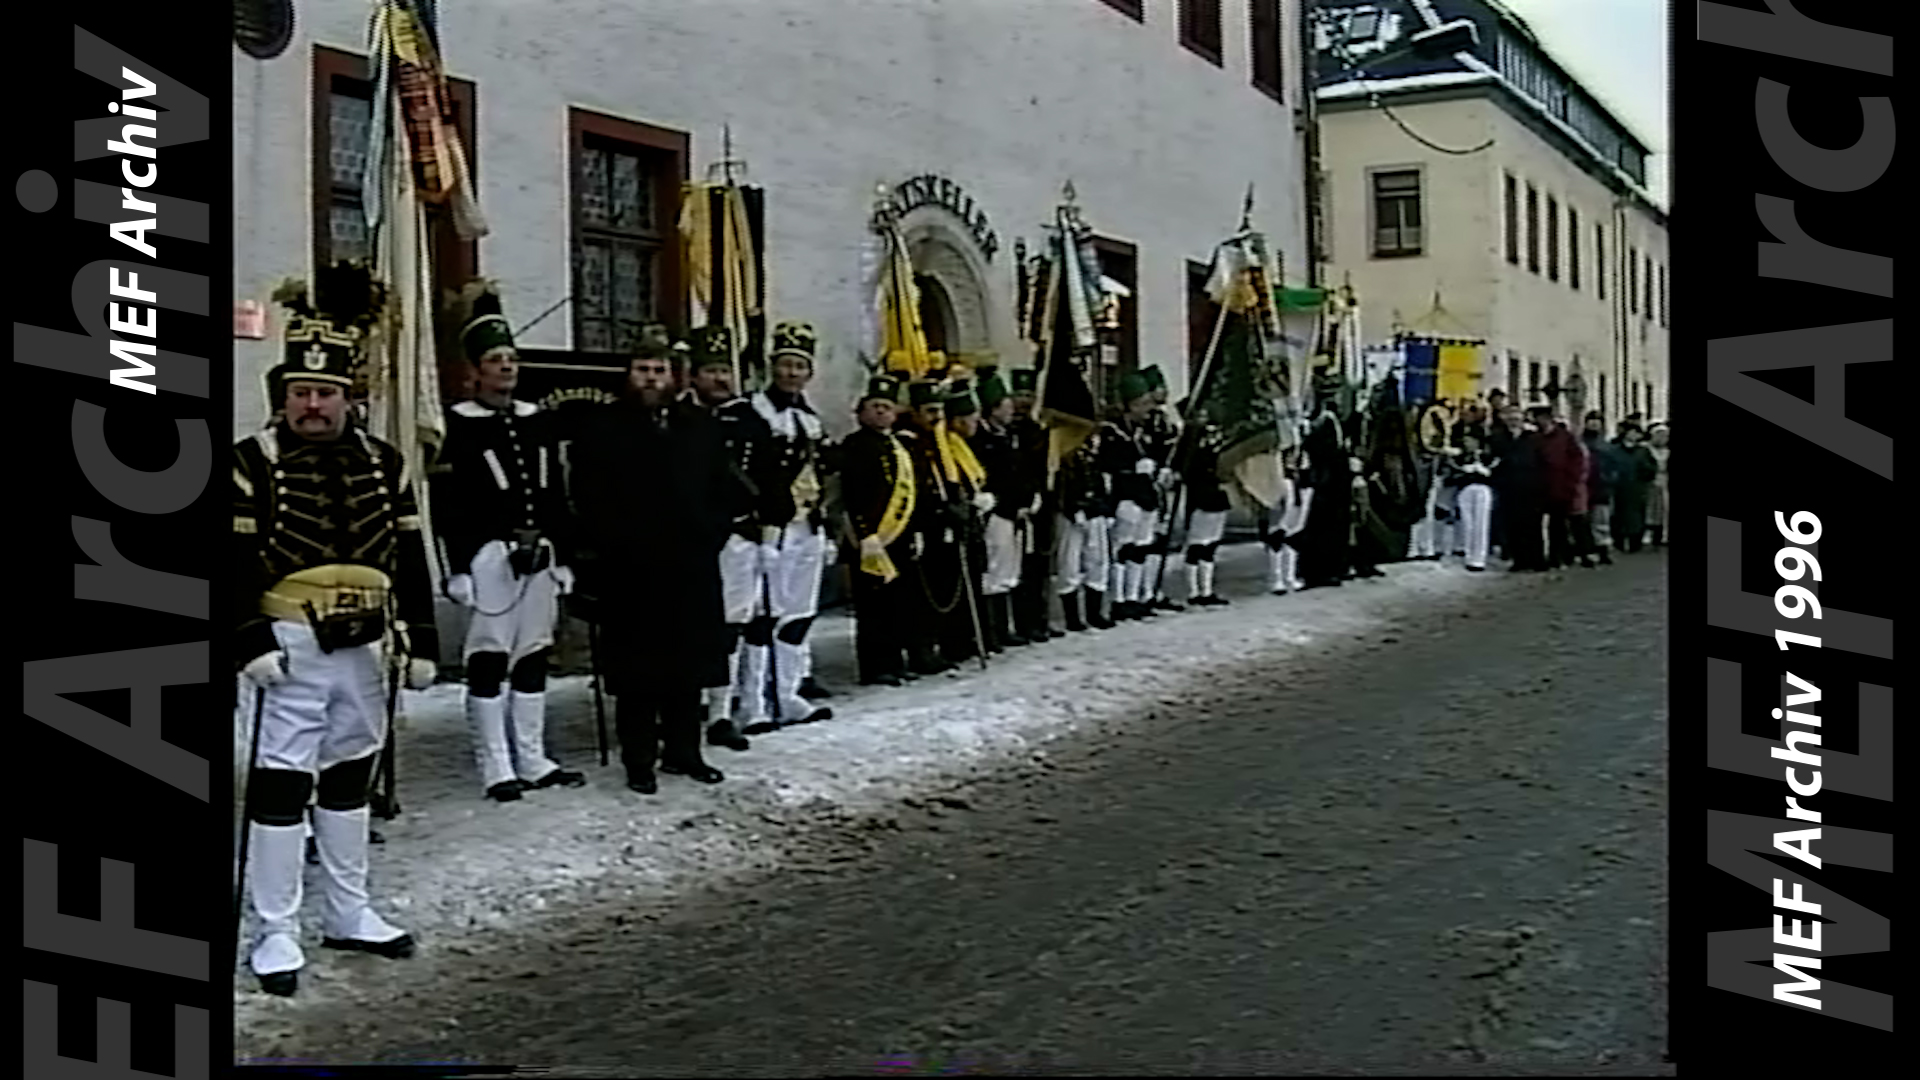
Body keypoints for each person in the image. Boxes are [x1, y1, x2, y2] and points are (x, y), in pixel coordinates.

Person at [235, 266, 437, 996]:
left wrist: (423, 638)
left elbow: (409, 555)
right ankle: (275, 929)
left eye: (325, 394)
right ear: (282, 397)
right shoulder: (249, 463)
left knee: (352, 777)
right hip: (288, 647)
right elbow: (224, 559)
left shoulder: (385, 462)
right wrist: (245, 637)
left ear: (349, 398)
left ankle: (350, 911)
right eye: (300, 393)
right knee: (282, 785)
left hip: (367, 647)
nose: (312, 406)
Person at [568, 342, 742, 794]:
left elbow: (724, 489)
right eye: (642, 369)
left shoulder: (700, 427)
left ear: (674, 376)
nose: (650, 378)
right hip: (631, 568)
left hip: (691, 563)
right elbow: (588, 494)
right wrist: (613, 543)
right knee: (638, 672)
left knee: (689, 666)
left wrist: (711, 532)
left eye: (659, 370)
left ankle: (685, 752)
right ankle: (640, 758)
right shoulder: (602, 427)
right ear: (629, 375)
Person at [435, 286, 585, 803]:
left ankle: (533, 755)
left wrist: (563, 554)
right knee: (489, 658)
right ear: (475, 371)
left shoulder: (536, 419)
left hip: (539, 553)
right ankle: (496, 764)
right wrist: (459, 566)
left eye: (511, 359)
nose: (506, 368)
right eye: (495, 361)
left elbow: (554, 491)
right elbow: (448, 503)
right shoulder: (456, 424)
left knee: (532, 655)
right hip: (489, 556)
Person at [683, 326, 782, 752]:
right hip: (690, 541)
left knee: (732, 627)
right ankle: (688, 708)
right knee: (690, 628)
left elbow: (771, 479)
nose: (720, 379)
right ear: (694, 375)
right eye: (711, 371)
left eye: (725, 370)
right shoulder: (679, 419)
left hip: (739, 538)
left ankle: (722, 712)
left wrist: (772, 531)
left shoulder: (751, 421)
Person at [735, 322, 835, 732]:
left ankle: (789, 693)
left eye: (800, 366)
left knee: (798, 613)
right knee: (760, 615)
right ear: (773, 367)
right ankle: (753, 700)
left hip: (806, 526)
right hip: (770, 529)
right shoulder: (753, 412)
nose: (792, 373)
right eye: (786, 365)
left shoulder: (810, 418)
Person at [839, 374, 917, 686]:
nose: (881, 412)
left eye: (887, 407)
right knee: (872, 606)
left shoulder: (899, 446)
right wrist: (864, 533)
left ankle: (895, 660)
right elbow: (851, 494)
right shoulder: (854, 446)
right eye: (874, 406)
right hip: (869, 538)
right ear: (860, 412)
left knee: (897, 603)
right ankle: (874, 666)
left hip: (896, 536)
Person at [896, 380, 963, 675]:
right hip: (920, 525)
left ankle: (936, 643)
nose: (936, 416)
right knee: (919, 595)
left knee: (940, 587)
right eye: (929, 410)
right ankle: (919, 649)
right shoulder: (908, 443)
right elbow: (912, 487)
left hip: (940, 523)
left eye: (939, 410)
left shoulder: (939, 441)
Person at [970, 370, 1031, 649]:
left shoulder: (1008, 435)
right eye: (1005, 406)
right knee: (993, 572)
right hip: (994, 510)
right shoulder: (981, 440)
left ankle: (1005, 627)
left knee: (1008, 570)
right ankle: (990, 631)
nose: (1011, 411)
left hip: (1012, 511)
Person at [1098, 373, 1162, 619]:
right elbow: (1107, 464)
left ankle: (1135, 597)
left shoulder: (1143, 430)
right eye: (1142, 404)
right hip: (1126, 496)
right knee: (1123, 549)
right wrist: (1131, 468)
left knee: (1140, 549)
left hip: (1145, 495)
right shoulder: (1112, 431)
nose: (1147, 409)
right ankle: (1119, 599)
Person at [940, 380, 994, 660]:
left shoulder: (965, 446)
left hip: (972, 521)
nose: (975, 423)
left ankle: (974, 637)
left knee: (974, 579)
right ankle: (957, 642)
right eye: (971, 418)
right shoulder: (946, 445)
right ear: (959, 420)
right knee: (958, 587)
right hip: (956, 524)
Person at [1005, 369, 1060, 643]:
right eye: (1019, 395)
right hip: (1017, 508)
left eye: (1029, 395)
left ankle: (1039, 619)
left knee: (1039, 566)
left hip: (1041, 507)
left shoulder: (1040, 432)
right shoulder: (1009, 433)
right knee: (1019, 570)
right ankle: (1022, 623)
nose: (1023, 402)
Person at [1293, 372, 1355, 588]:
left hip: (1337, 481)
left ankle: (1334, 568)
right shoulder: (1320, 420)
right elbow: (1320, 450)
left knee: (1336, 527)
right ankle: (1317, 572)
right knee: (1320, 528)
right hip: (1325, 481)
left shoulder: (1334, 418)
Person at [1052, 426, 1115, 631]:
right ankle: (1072, 617)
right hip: (1072, 515)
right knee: (1069, 563)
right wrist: (1072, 507)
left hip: (1094, 514)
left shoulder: (1095, 455)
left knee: (1097, 562)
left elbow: (1100, 483)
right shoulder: (1065, 454)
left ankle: (1094, 613)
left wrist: (1104, 508)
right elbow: (1060, 485)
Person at [1138, 365, 1184, 612]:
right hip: (1148, 484)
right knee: (1147, 542)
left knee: (1159, 540)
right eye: (1159, 388)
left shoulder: (1163, 418)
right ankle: (1144, 592)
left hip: (1162, 484)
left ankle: (1155, 589)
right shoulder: (1148, 422)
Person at [1179, 418, 1233, 606]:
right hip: (1201, 499)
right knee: (1196, 546)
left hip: (1217, 499)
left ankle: (1206, 590)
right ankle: (1194, 592)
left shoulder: (1215, 448)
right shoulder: (1192, 452)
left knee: (1210, 546)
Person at [1497, 406, 1551, 572]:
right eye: (1510, 418)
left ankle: (1537, 559)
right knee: (1513, 527)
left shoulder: (1534, 438)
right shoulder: (1499, 438)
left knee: (1533, 526)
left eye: (1516, 418)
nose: (1513, 421)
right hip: (1509, 488)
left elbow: (1544, 462)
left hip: (1531, 488)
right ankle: (1519, 560)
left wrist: (1542, 485)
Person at [1539, 406, 1589, 569]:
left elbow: (1577, 461)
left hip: (1561, 488)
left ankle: (1559, 556)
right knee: (1545, 525)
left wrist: (1571, 482)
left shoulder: (1566, 438)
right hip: (1540, 488)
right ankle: (1548, 556)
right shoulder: (1535, 438)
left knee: (1559, 525)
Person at [1446, 432, 1497, 571]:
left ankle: (1479, 558)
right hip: (1465, 489)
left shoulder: (1488, 456)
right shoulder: (1460, 457)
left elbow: (1495, 469)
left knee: (1481, 523)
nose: (1468, 444)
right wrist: (1462, 470)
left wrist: (1485, 470)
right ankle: (1469, 555)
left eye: (1470, 441)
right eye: (1466, 441)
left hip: (1482, 489)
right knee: (1467, 523)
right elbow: (1453, 471)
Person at [1577, 411, 1621, 566]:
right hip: (1583, 487)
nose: (1594, 424)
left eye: (1597, 421)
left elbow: (1615, 465)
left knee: (1601, 521)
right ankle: (1585, 551)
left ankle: (1603, 550)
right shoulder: (1580, 443)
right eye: (1591, 421)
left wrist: (1610, 479)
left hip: (1602, 488)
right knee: (1582, 522)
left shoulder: (1606, 446)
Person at [1612, 424, 1658, 553]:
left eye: (1636, 433)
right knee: (1619, 515)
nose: (1633, 435)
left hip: (1638, 487)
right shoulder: (1615, 450)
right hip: (1620, 487)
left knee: (1638, 514)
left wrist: (1646, 473)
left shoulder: (1643, 451)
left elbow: (1652, 468)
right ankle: (1619, 541)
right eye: (1631, 432)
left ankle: (1635, 542)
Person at [1647, 423, 1671, 547]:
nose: (1662, 438)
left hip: (1665, 481)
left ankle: (1663, 535)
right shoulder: (1646, 449)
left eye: (1665, 436)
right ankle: (1650, 534)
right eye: (1659, 435)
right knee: (1652, 509)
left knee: (1664, 509)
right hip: (1650, 482)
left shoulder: (1668, 451)